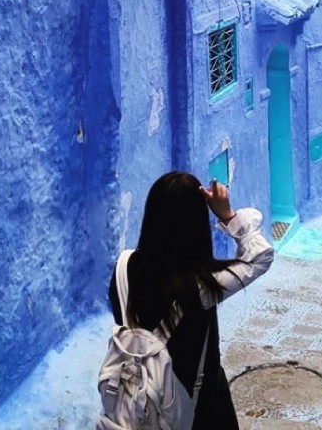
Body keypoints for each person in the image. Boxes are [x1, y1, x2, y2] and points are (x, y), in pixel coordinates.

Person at [108, 171, 274, 429]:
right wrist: (228, 216)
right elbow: (260, 257)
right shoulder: (203, 285)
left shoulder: (123, 268)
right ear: (196, 225)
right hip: (196, 408)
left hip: (133, 403)